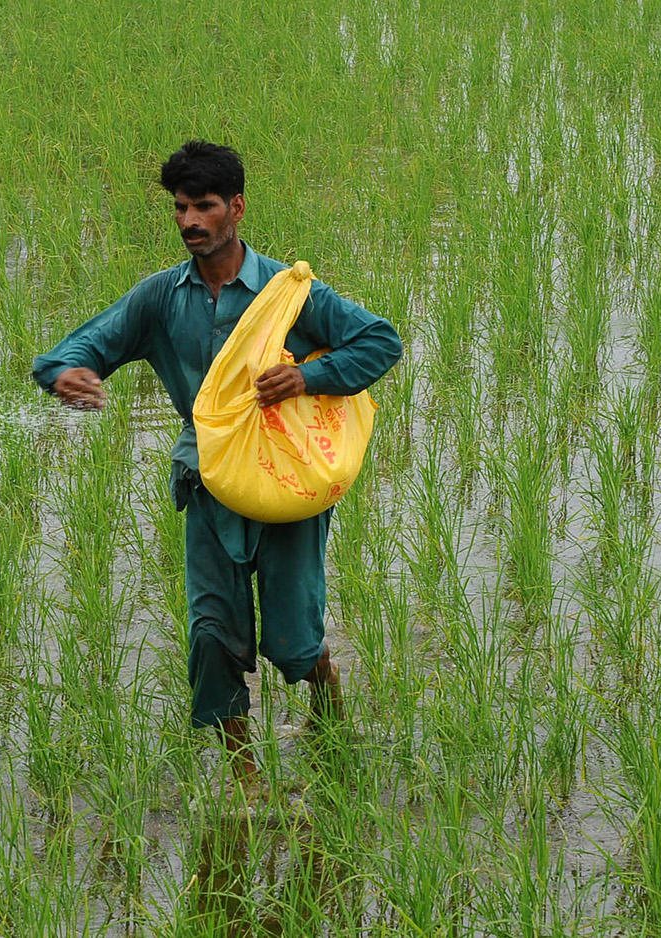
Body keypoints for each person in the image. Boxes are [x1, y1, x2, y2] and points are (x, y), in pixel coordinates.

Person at [31, 140, 403, 800]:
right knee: (211, 634)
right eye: (179, 208)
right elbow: (82, 345)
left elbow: (381, 341)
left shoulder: (288, 294)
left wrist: (308, 377)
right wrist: (67, 373)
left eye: (203, 207)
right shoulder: (160, 299)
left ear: (235, 208)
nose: (189, 222)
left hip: (286, 485)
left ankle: (326, 697)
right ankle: (246, 776)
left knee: (293, 635)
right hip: (207, 483)